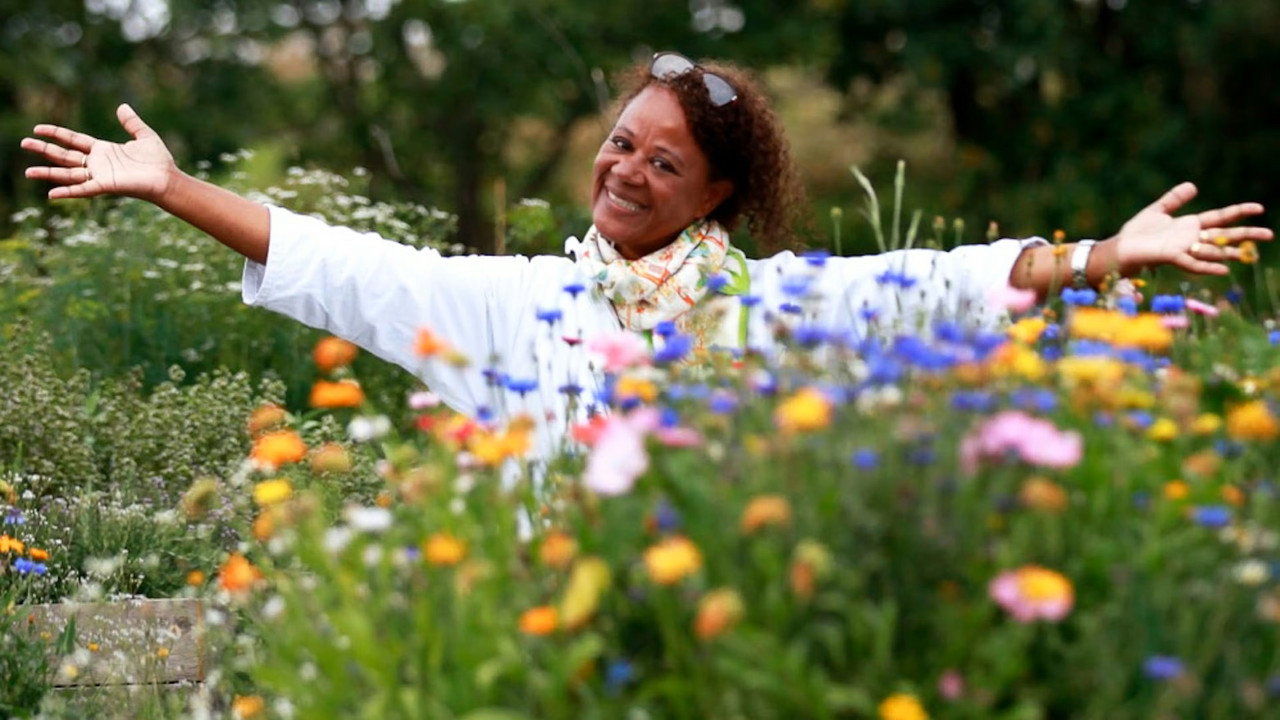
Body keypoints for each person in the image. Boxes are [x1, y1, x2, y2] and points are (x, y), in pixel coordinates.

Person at [21, 53, 1271, 456]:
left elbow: (950, 278)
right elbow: (344, 260)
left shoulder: (778, 305)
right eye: (621, 145)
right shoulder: (522, 304)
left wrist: (1105, 253)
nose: (624, 172)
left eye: (661, 165)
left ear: (716, 193)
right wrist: (175, 186)